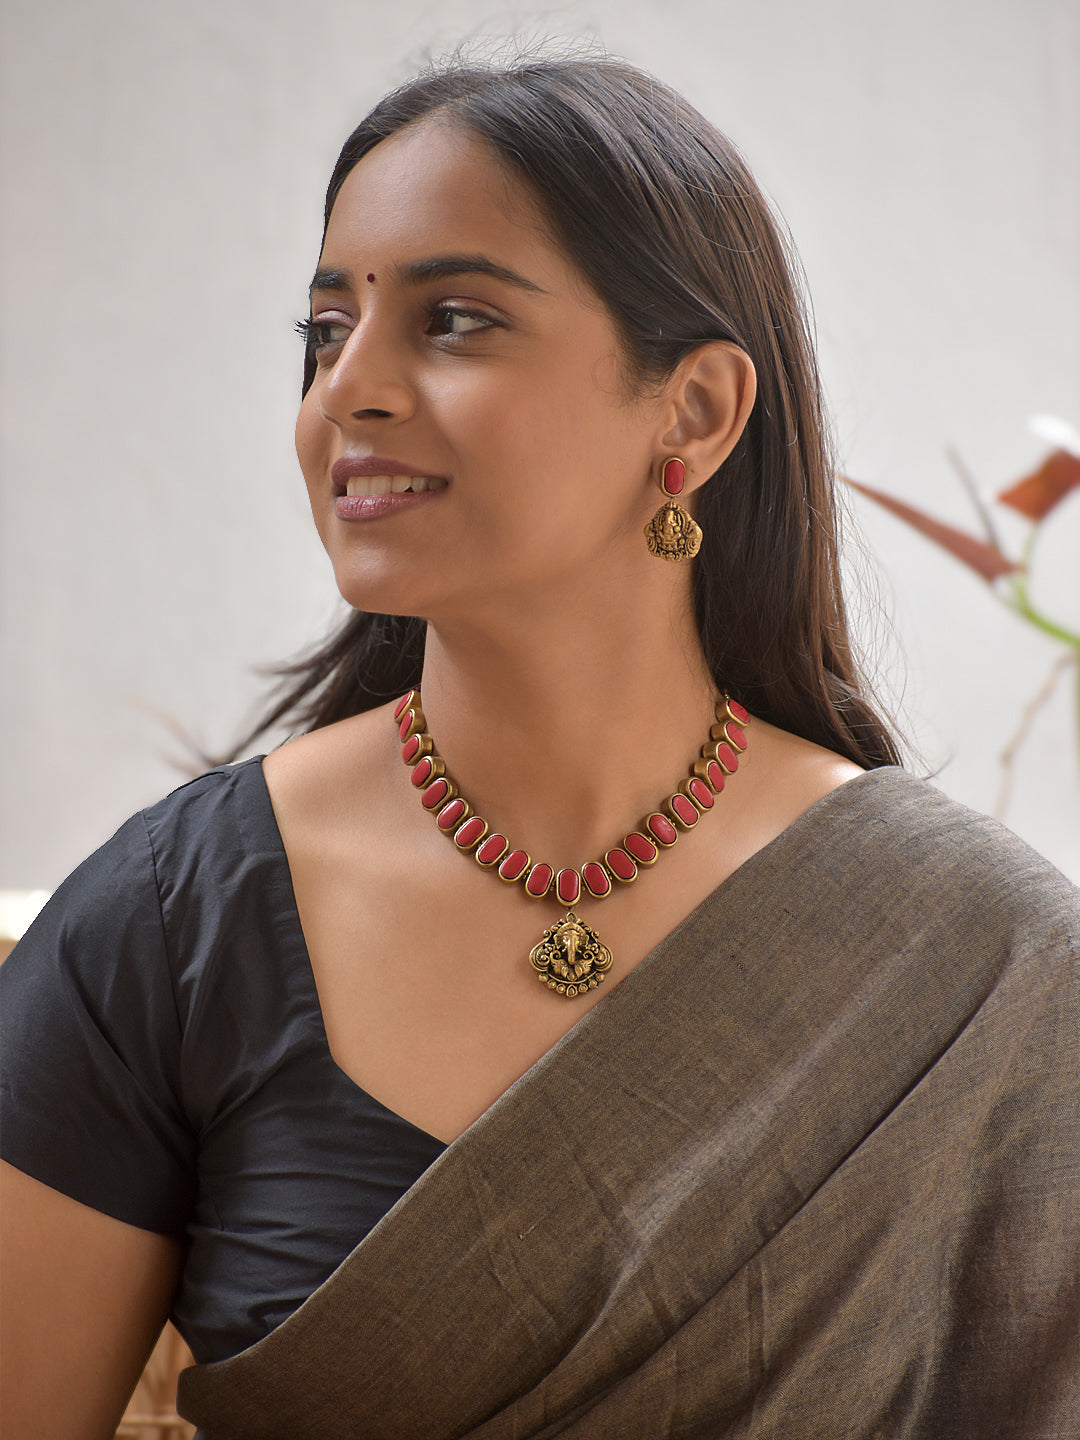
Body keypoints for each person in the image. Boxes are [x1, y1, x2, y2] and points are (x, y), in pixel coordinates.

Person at [1, 56, 1075, 1440]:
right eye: (326, 331)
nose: (351, 392)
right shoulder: (174, 923)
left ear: (693, 414)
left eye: (452, 321)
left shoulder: (985, 966)